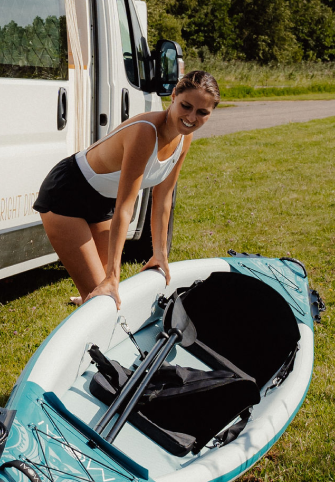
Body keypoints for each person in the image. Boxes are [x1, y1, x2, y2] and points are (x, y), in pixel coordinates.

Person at [33, 70, 220, 309]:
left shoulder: (185, 139)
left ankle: (87, 296)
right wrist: (113, 275)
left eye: (202, 112)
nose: (191, 117)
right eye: (186, 106)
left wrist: (160, 253)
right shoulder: (145, 132)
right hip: (67, 194)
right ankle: (89, 302)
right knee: (102, 298)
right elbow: (125, 206)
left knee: (100, 292)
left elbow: (163, 198)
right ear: (173, 96)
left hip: (101, 202)